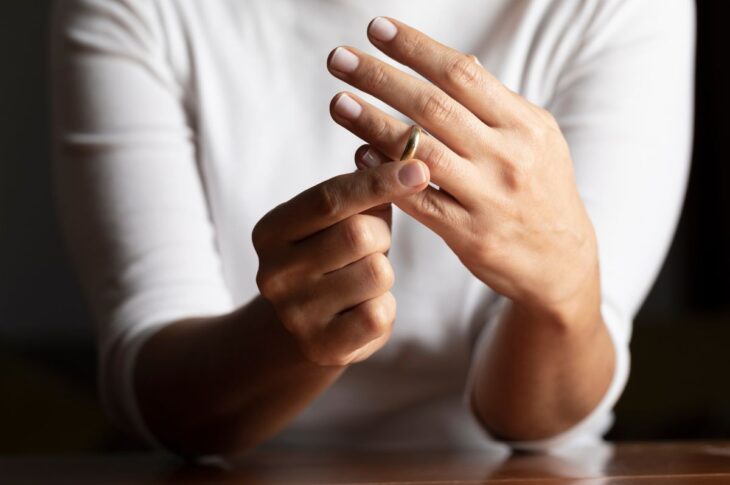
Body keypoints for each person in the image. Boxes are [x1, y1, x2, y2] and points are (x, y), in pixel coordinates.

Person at [51, 0, 694, 457]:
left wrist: (564, 291)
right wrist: (297, 341)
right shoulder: (140, 9)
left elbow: (535, 424)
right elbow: (157, 391)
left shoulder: (620, 8)